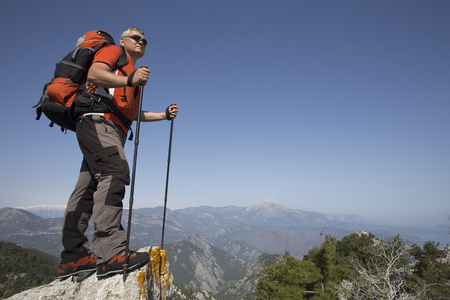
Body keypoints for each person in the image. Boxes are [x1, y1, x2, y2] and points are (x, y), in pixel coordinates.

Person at [57, 27, 178, 279]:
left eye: (145, 39)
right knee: (115, 171)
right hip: (99, 122)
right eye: (136, 37)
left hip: (106, 127)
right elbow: (95, 73)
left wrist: (164, 115)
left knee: (87, 187)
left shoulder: (130, 72)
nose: (142, 41)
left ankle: (73, 258)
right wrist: (130, 80)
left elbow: (132, 114)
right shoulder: (113, 52)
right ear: (123, 41)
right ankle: (111, 252)